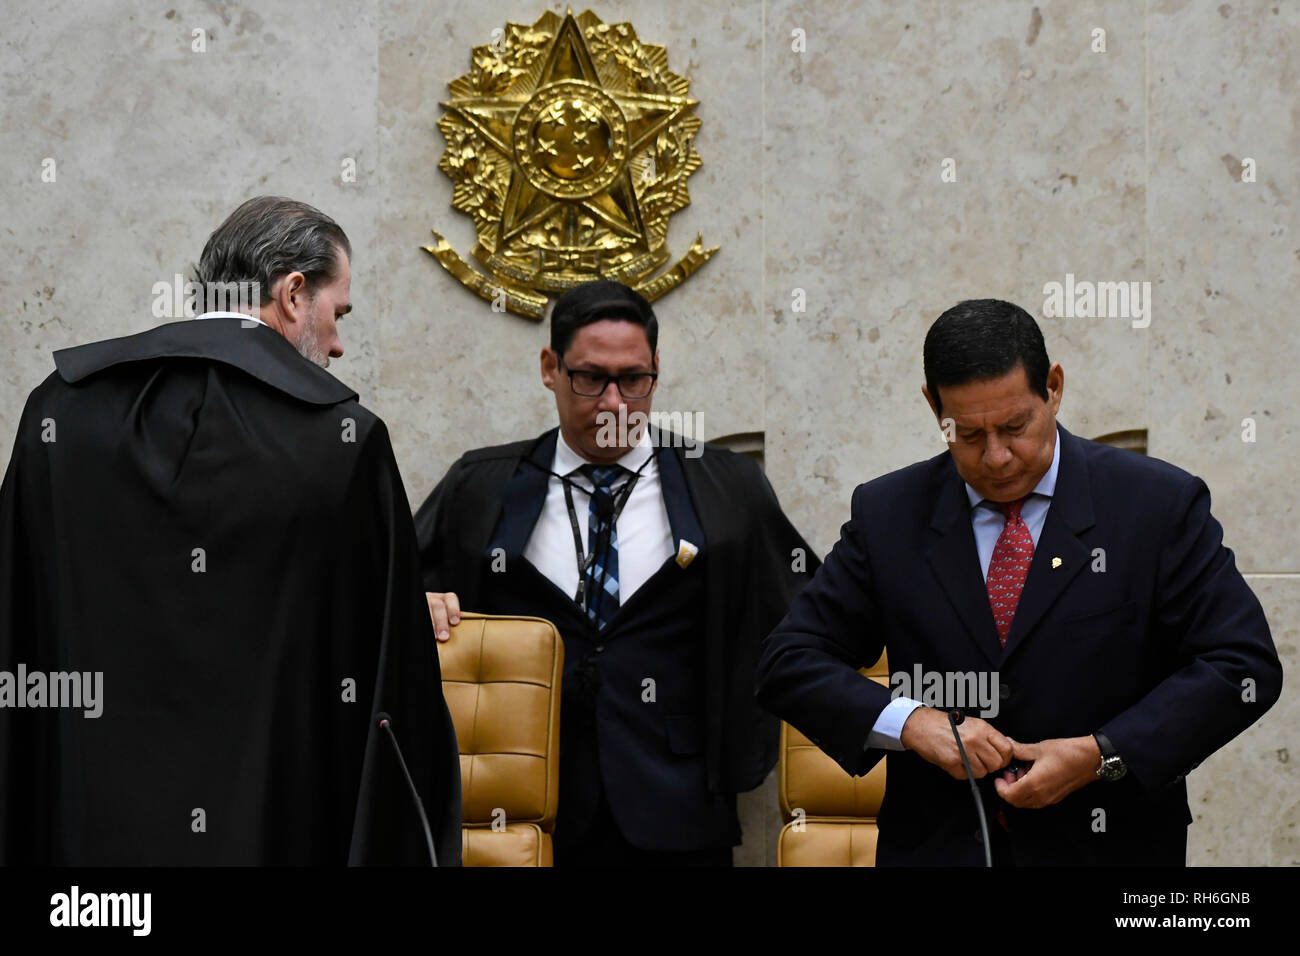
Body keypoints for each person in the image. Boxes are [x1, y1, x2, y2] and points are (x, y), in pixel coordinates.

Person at [0, 196, 461, 865]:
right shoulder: (341, 441)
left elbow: (17, 621)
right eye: (339, 315)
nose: (336, 345)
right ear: (293, 293)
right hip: (278, 828)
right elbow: (387, 673)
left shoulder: (58, 412)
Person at [756, 298, 1282, 866]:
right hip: (939, 849)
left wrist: (1102, 754)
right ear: (934, 407)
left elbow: (1241, 664)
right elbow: (789, 660)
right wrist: (910, 722)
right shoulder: (889, 514)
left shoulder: (1154, 505)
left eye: (1015, 426)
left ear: (1053, 388)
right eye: (968, 434)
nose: (997, 457)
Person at [415, 279, 816, 866]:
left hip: (680, 815)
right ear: (550, 368)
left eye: (633, 379)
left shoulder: (727, 486)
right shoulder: (479, 485)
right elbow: (386, 593)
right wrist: (419, 605)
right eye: (590, 377)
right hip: (520, 816)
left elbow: (809, 616)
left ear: (656, 369)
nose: (613, 402)